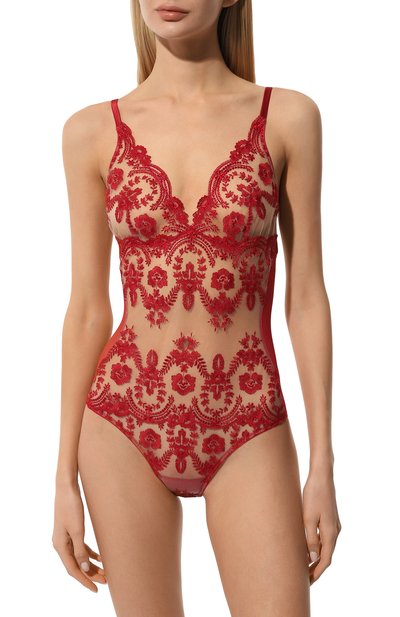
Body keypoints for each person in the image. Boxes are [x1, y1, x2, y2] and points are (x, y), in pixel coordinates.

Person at [52, 1, 341, 615]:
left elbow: (307, 297)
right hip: (123, 422)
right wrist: (61, 479)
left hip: (247, 421)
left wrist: (322, 464)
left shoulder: (289, 117)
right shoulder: (90, 131)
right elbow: (87, 311)